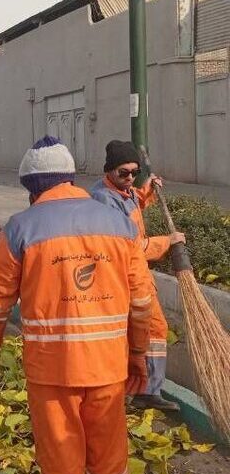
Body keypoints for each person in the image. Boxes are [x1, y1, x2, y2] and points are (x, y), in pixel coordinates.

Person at [0, 136, 153, 474]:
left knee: (63, 471)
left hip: (52, 376)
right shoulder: (118, 223)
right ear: (72, 178)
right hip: (109, 370)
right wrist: (137, 354)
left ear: (32, 187)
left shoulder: (21, 228)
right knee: (110, 465)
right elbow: (141, 302)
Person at [90, 140, 184, 412]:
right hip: (124, 275)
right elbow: (128, 246)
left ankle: (141, 388)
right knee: (151, 330)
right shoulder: (104, 201)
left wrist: (148, 190)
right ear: (109, 171)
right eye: (124, 173)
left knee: (145, 332)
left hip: (136, 273)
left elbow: (134, 206)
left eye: (135, 172)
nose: (130, 177)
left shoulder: (123, 190)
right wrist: (168, 242)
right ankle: (143, 390)